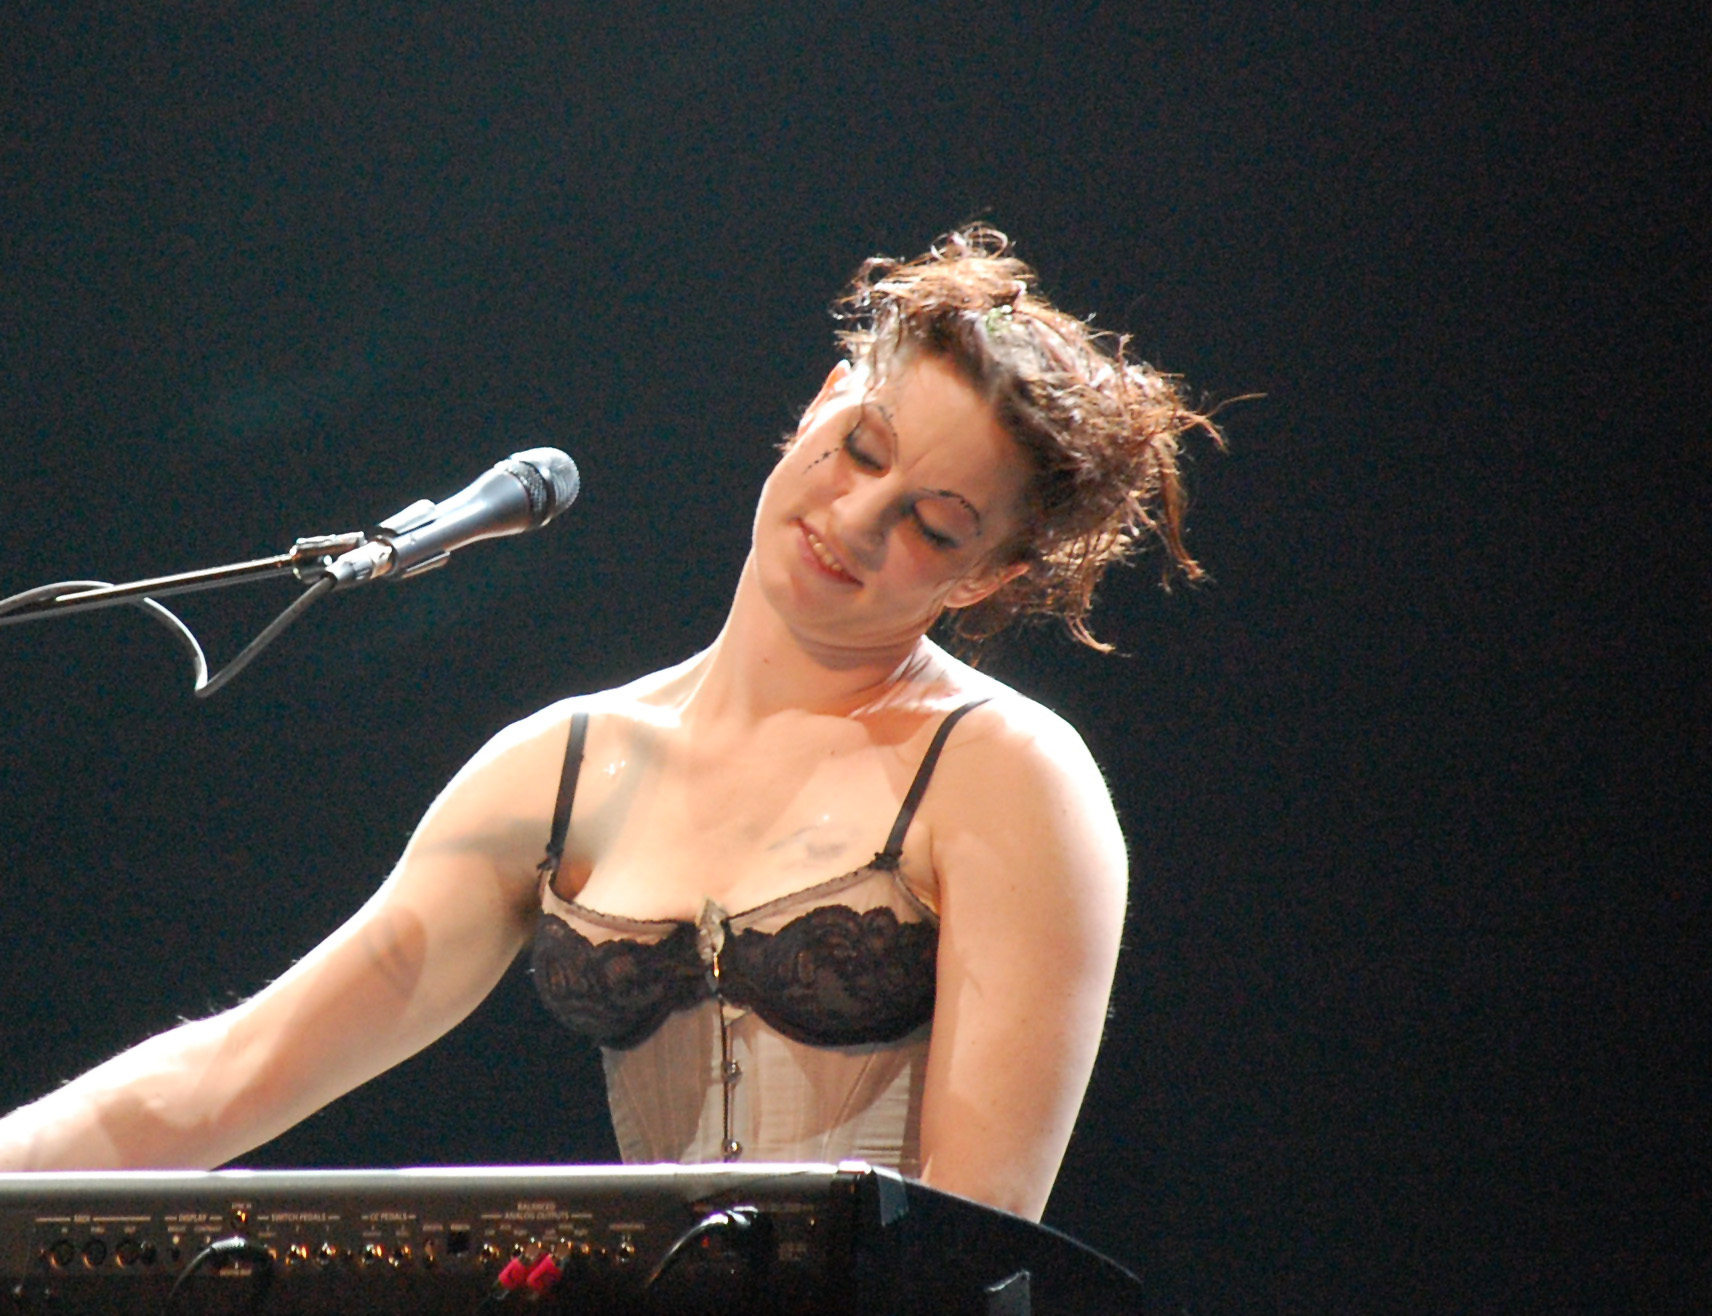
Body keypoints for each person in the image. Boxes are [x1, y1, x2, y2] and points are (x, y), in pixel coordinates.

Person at [0, 226, 1219, 1223]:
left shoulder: (1005, 774)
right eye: (859, 449)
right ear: (822, 399)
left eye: (932, 523)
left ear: (983, 580)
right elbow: (229, 1071)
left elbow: (968, 1234)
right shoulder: (563, 764)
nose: (855, 518)